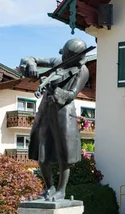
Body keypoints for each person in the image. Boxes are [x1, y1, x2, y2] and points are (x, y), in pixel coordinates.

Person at [20, 38, 89, 201]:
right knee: (42, 155)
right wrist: (31, 64)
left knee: (63, 154)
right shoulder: (58, 61)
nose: (63, 59)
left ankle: (61, 190)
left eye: (67, 56)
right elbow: (31, 58)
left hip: (63, 113)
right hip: (45, 111)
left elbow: (71, 95)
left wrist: (52, 88)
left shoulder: (82, 70)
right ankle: (49, 187)